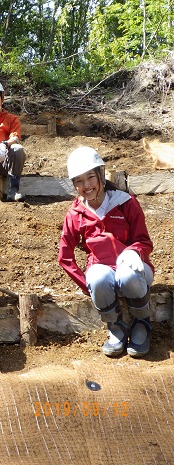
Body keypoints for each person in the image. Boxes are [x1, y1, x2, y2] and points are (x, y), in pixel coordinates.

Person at [58, 146, 154, 358]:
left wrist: (134, 252)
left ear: (100, 174)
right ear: (74, 185)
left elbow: (145, 241)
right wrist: (88, 286)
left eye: (90, 177)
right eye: (79, 181)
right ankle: (115, 327)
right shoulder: (75, 213)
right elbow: (64, 257)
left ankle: (141, 323)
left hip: (136, 270)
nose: (86, 185)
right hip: (101, 266)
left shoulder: (125, 203)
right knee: (98, 277)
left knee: (126, 274)